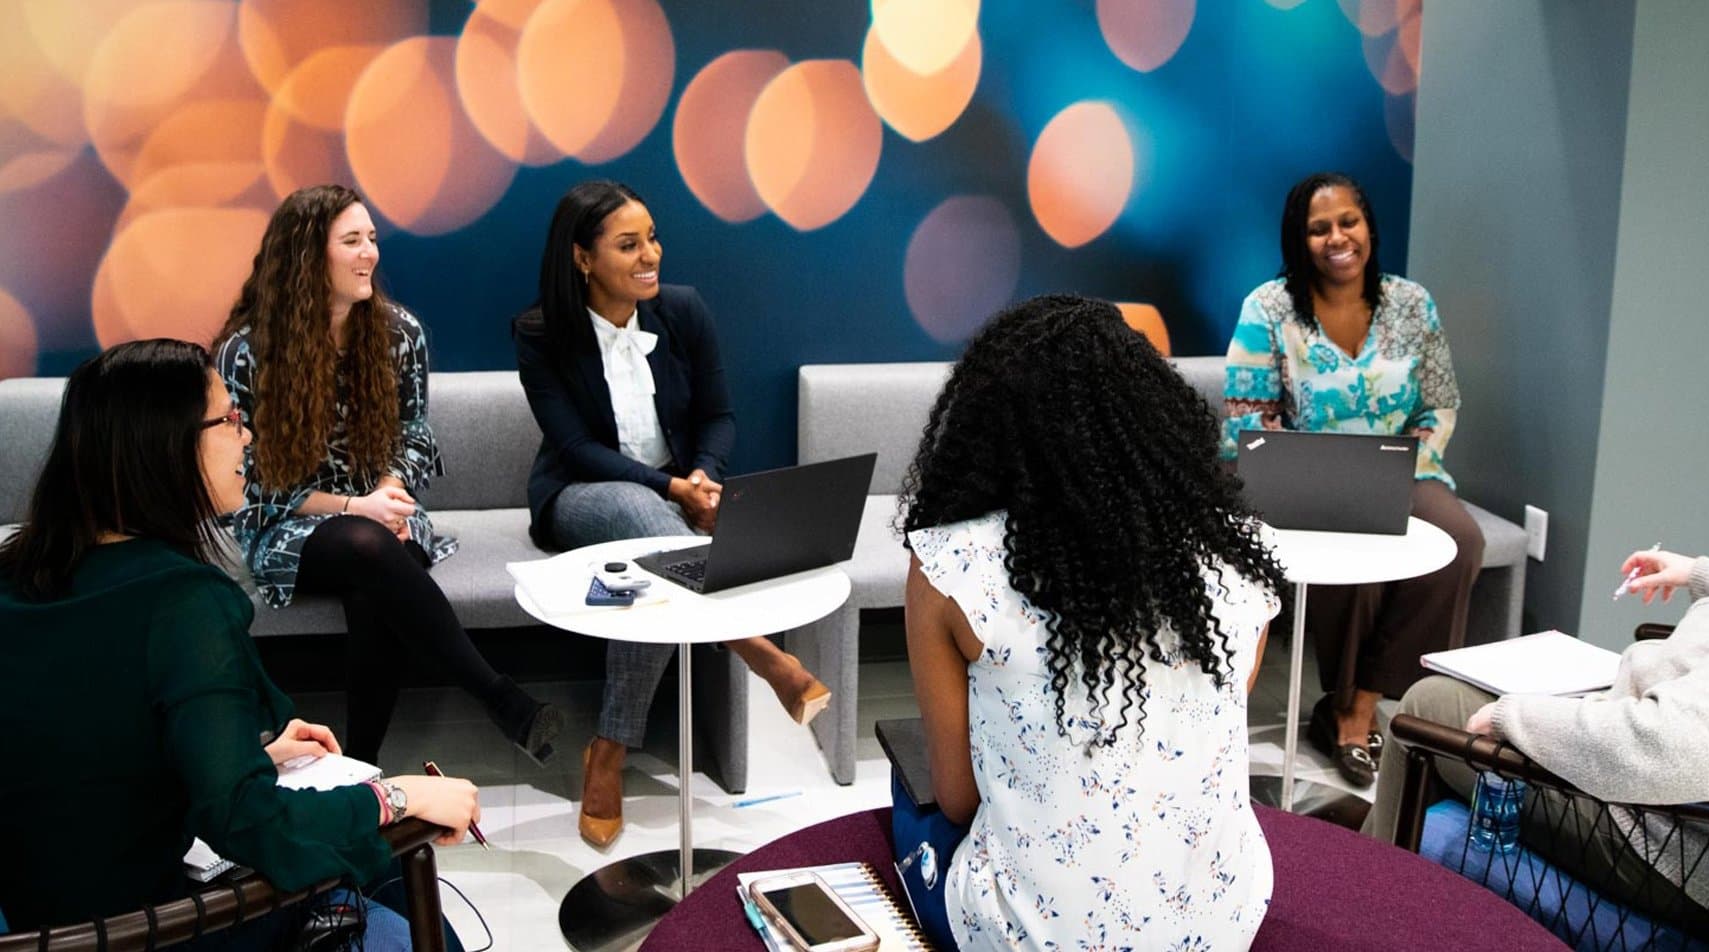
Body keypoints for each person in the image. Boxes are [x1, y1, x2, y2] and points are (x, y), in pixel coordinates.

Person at [1363, 374, 1709, 937]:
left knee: (1428, 705)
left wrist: (1516, 717)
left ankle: (1362, 896)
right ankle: (1385, 854)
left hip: (1657, 843)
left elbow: (1661, 749)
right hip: (1680, 821)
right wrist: (1699, 573)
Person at [0, 339, 481, 947]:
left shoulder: (18, 575)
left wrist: (243, 753)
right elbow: (248, 823)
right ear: (166, 444)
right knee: (387, 868)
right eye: (229, 419)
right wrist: (399, 795)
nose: (247, 437)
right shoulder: (183, 601)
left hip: (38, 916)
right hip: (141, 927)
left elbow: (87, 753)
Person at [896, 294, 1286, 950]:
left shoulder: (949, 568)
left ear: (989, 418)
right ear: (1151, 411)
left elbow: (960, 802)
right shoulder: (1241, 557)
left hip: (1027, 938)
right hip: (1219, 925)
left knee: (911, 790)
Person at [513, 180, 830, 849]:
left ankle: (608, 750)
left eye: (652, 238)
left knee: (649, 572)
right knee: (642, 517)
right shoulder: (539, 332)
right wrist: (667, 488)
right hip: (581, 495)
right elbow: (575, 447)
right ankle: (765, 654)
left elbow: (718, 415)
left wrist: (704, 478)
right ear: (582, 259)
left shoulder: (683, 312)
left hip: (681, 503)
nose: (650, 254)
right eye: (628, 245)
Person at [216, 185, 561, 767]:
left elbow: (416, 435)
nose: (369, 253)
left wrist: (388, 490)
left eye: (372, 239)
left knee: (370, 577)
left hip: (380, 517)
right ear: (306, 255)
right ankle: (499, 698)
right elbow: (249, 481)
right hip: (284, 525)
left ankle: (361, 765)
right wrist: (355, 510)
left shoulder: (398, 332)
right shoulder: (247, 352)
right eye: (351, 241)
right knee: (368, 546)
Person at [1222, 171, 1484, 786]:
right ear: (1300, 239)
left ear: (1368, 228)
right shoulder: (1268, 308)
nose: (1337, 238)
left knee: (1460, 543)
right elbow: (1247, 417)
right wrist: (1313, 471)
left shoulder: (1413, 304)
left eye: (1348, 222)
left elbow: (1441, 402)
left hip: (1406, 467)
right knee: (1352, 548)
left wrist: (1398, 468)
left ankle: (1365, 702)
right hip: (1304, 476)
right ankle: (1343, 711)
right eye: (1319, 229)